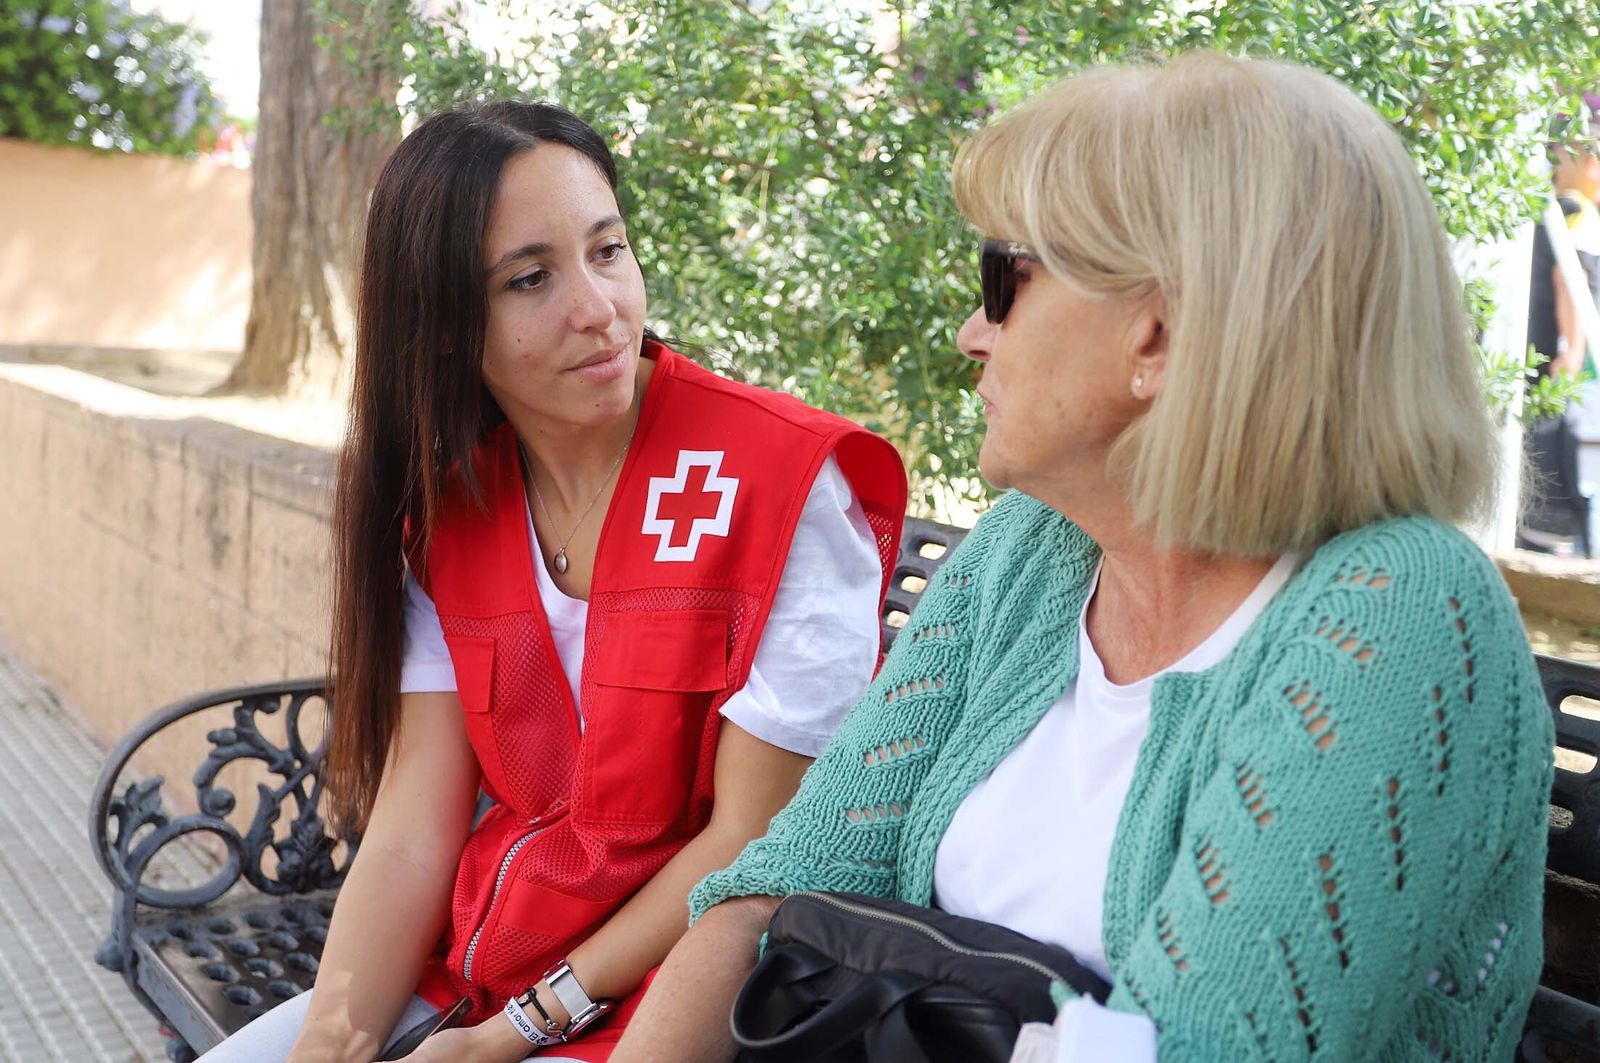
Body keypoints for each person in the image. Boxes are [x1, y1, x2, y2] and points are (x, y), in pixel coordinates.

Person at [615, 52, 1555, 1062]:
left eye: (1001, 279)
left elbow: (1201, 1048)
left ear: (1157, 330)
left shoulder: (1397, 610)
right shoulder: (1032, 549)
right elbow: (769, 897)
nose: (972, 332)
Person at [197, 101, 907, 1062]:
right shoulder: (452, 515)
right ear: (444, 329)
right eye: (530, 278)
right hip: (493, 964)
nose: (597, 307)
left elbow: (753, 836)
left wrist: (520, 1028)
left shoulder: (776, 482)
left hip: (696, 986)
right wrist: (334, 1037)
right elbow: (414, 825)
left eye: (608, 251)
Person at [1520, 101, 1600, 555]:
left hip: (1541, 352)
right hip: (1562, 356)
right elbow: (1571, 281)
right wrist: (1572, 347)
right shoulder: (1578, 212)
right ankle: (1554, 531)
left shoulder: (1552, 209)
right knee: (1555, 442)